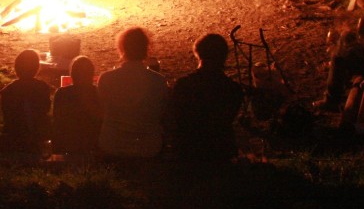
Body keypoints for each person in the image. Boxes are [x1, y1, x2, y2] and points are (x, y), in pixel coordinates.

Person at [169, 34, 243, 162]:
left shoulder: (184, 85)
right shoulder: (233, 89)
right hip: (221, 153)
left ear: (197, 53)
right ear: (224, 56)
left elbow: (175, 119)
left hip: (189, 152)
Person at [98, 28, 169, 158]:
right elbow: (163, 113)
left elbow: (100, 110)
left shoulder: (107, 79)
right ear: (147, 49)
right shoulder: (159, 81)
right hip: (148, 146)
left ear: (122, 49)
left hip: (113, 144)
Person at [0, 49, 53, 157]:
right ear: (37, 68)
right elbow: (46, 110)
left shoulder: (8, 91)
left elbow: (6, 117)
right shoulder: (43, 88)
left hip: (14, 140)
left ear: (16, 68)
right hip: (38, 140)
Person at [52, 56, 102, 158]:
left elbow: (57, 123)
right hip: (91, 145)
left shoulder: (61, 93)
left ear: (72, 75)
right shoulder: (97, 93)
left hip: (67, 146)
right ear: (91, 75)